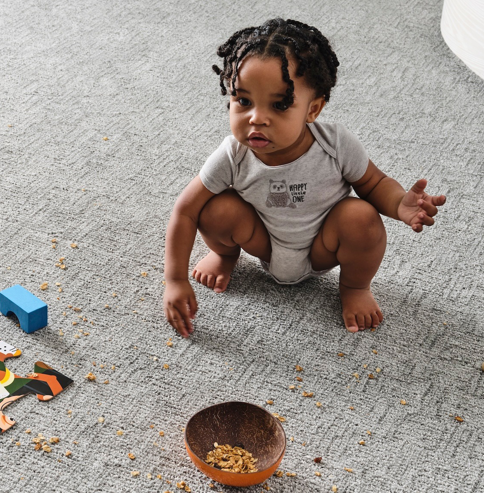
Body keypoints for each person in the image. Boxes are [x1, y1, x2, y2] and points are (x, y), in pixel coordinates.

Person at [162, 18, 446, 337]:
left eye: (280, 104)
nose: (256, 118)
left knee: (362, 217)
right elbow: (185, 210)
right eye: (243, 101)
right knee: (213, 209)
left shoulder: (335, 144)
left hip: (322, 247)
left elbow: (374, 184)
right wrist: (175, 280)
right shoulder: (232, 154)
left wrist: (398, 205)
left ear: (313, 110)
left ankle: (354, 287)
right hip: (262, 242)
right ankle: (224, 255)